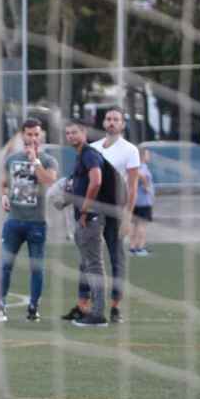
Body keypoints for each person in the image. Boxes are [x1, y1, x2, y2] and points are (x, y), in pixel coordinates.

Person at [0, 119, 58, 322]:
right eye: (29, 134)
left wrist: (35, 162)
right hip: (13, 221)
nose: (33, 138)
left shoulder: (48, 160)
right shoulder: (12, 159)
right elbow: (3, 183)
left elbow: (49, 180)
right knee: (5, 265)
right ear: (23, 135)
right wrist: (4, 195)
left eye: (36, 134)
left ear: (41, 136)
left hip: (36, 223)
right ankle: (0, 306)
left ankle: (33, 307)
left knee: (36, 268)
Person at [83, 106, 139, 323]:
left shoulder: (130, 150)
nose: (112, 122)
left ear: (123, 124)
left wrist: (128, 216)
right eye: (109, 119)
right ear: (103, 123)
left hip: (116, 211)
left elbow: (132, 187)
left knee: (117, 259)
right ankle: (86, 304)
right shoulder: (93, 148)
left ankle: (116, 306)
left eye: (116, 119)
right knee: (88, 259)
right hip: (95, 210)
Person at [63, 121, 110, 328]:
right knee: (87, 266)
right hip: (85, 217)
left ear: (84, 133)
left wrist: (85, 209)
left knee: (94, 266)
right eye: (67, 133)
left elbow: (97, 181)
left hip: (90, 218)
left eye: (74, 132)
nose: (70, 136)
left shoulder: (89, 154)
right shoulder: (81, 155)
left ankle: (98, 314)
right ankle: (91, 310)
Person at [130, 147, 154, 256]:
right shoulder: (141, 167)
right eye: (148, 154)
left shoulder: (136, 167)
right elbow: (141, 175)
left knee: (135, 225)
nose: (149, 157)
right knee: (142, 225)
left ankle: (133, 247)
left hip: (136, 201)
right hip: (143, 201)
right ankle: (140, 248)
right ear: (143, 156)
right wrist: (146, 185)